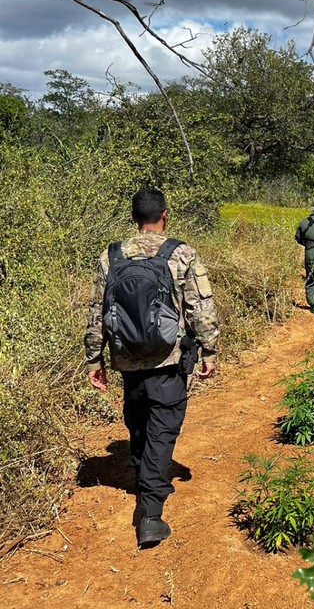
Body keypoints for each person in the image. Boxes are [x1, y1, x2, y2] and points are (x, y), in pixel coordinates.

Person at [85, 188, 219, 548]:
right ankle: (151, 515)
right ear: (165, 215)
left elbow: (97, 313)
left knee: (138, 410)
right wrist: (210, 350)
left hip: (126, 356)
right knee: (163, 425)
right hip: (168, 358)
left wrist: (94, 359)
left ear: (134, 218)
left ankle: (141, 463)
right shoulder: (181, 254)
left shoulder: (110, 256)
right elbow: (199, 307)